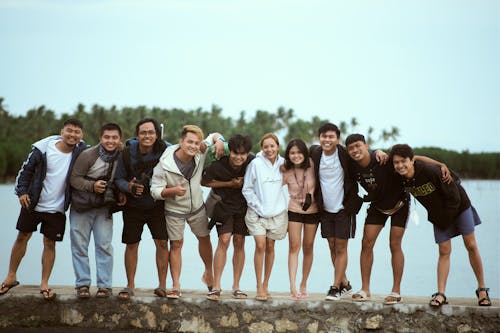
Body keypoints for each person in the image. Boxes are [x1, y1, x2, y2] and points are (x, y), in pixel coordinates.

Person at [390, 144, 491, 307]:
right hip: (438, 215)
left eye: (404, 161)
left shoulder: (430, 171)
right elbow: (382, 157)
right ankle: (441, 293)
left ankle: (482, 290)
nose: (400, 165)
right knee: (444, 251)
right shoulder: (398, 175)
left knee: (471, 245)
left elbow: (454, 197)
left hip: (459, 207)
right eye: (396, 163)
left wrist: (440, 165)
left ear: (411, 160)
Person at [0, 119, 86, 300]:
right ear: (62, 131)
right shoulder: (43, 149)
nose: (72, 134)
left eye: (77, 132)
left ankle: (44, 283)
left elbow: (99, 153)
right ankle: (10, 276)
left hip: (57, 209)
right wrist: (21, 192)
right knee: (22, 236)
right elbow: (25, 172)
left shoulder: (81, 151)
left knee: (49, 243)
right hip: (33, 203)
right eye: (69, 130)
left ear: (81, 136)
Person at [150, 125, 225, 298]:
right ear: (181, 142)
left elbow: (213, 133)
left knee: (204, 238)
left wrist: (220, 140)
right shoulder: (165, 163)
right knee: (176, 245)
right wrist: (172, 191)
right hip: (174, 209)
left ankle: (209, 274)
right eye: (189, 142)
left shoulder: (200, 151)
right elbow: (154, 190)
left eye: (196, 143)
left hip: (197, 207)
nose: (193, 146)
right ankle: (176, 285)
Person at [114, 118, 170, 299]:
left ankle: (162, 285)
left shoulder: (166, 150)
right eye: (143, 133)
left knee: (162, 243)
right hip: (133, 205)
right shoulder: (127, 153)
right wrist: (128, 188)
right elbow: (119, 179)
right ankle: (130, 285)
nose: (147, 136)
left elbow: (184, 149)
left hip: (157, 205)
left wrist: (216, 139)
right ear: (137, 135)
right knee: (132, 245)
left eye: (151, 132)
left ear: (157, 134)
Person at [69, 122, 124, 298]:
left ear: (119, 139)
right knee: (79, 246)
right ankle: (82, 285)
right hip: (82, 206)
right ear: (100, 138)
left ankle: (104, 286)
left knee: (105, 246)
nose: (110, 141)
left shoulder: (122, 155)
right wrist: (92, 186)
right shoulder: (88, 155)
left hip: (104, 207)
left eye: (114, 137)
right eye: (107, 137)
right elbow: (74, 179)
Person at [309, 123, 363, 301]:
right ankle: (345, 283)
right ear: (319, 138)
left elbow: (363, 155)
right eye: (324, 136)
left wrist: (380, 153)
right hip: (324, 209)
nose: (327, 140)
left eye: (331, 137)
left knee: (341, 248)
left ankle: (335, 287)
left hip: (343, 209)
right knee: (332, 246)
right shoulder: (315, 153)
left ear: (337, 139)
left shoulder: (345, 154)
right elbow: (294, 157)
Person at [201, 134, 254, 301]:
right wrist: (229, 184)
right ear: (229, 151)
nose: (239, 157)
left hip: (243, 206)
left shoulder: (252, 162)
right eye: (235, 153)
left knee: (239, 241)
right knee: (223, 240)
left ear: (247, 154)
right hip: (222, 205)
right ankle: (216, 286)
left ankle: (236, 286)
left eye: (243, 154)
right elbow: (204, 182)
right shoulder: (218, 164)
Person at [242, 133, 288, 301]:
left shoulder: (284, 163)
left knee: (270, 247)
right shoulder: (255, 164)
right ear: (262, 148)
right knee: (260, 245)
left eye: (272, 146)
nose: (269, 149)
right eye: (266, 146)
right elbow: (247, 189)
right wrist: (258, 206)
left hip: (277, 213)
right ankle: (258, 286)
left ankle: (266, 283)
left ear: (278, 146)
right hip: (257, 214)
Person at [282, 139, 320, 300]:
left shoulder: (313, 163)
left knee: (308, 246)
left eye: (299, 152)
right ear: (288, 155)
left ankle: (303, 284)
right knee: (294, 247)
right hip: (294, 210)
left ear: (305, 153)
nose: (296, 156)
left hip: (313, 210)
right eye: (292, 153)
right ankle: (292, 287)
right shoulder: (284, 170)